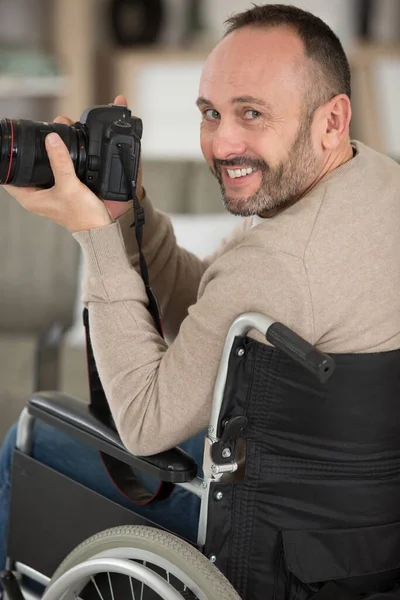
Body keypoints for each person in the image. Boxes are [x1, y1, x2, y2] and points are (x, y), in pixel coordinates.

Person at [1, 2, 400, 573]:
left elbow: (141, 423)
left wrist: (94, 236)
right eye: (211, 112)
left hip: (257, 545)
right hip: (354, 542)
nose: (221, 143)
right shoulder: (378, 186)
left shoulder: (279, 263)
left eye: (253, 113)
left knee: (29, 435)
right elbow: (208, 307)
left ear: (331, 120)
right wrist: (124, 211)